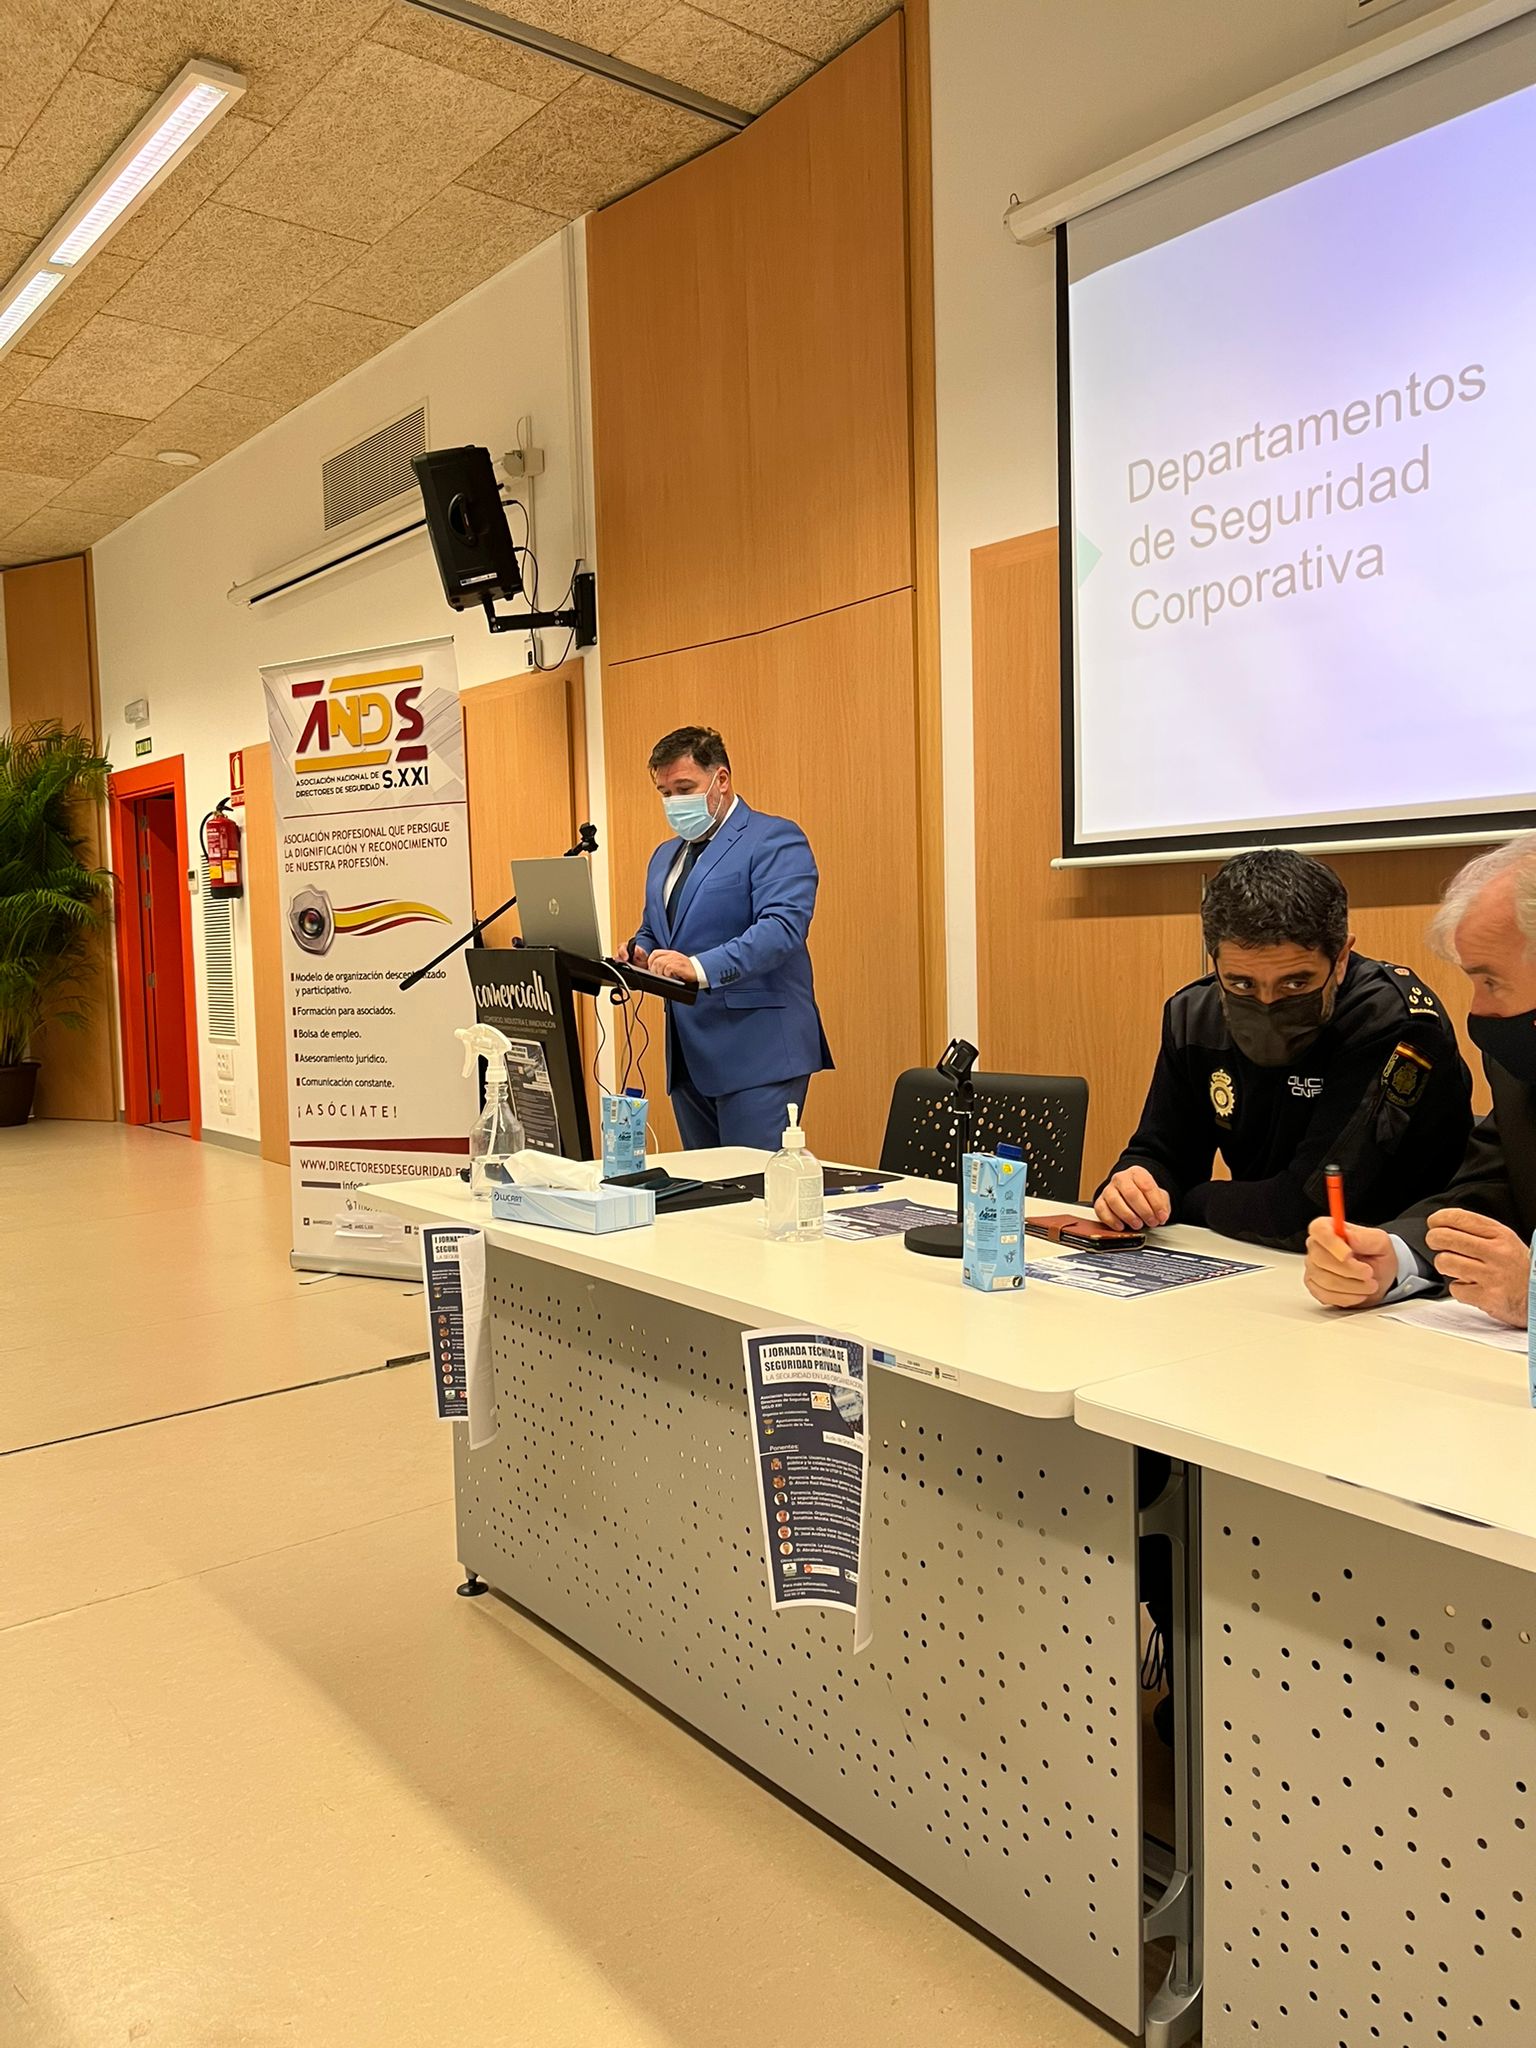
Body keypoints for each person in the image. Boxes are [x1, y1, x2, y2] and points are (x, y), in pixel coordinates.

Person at [1095, 848, 1472, 1252]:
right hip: (1259, 1255)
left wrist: (1188, 1200)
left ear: (1341, 959)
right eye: (1242, 984)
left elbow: (1307, 1213)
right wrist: (1134, 1187)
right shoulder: (1194, 1016)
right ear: (1214, 962)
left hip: (1407, 1267)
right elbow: (1163, 1154)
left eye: (1295, 984)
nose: (1267, 1003)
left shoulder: (1391, 1022)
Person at [1305, 832, 1536, 1327]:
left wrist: (1532, 1294)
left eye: (1490, 981)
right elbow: (1489, 1192)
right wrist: (1393, 1257)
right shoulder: (1517, 1068)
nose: (1478, 1009)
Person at [620, 725, 832, 1151]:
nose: (674, 803)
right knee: (706, 1186)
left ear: (721, 779)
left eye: (684, 789)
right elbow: (656, 928)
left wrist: (697, 967)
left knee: (750, 1185)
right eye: (665, 793)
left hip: (758, 1053)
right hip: (689, 1057)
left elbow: (782, 928)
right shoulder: (664, 856)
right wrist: (641, 950)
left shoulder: (773, 838)